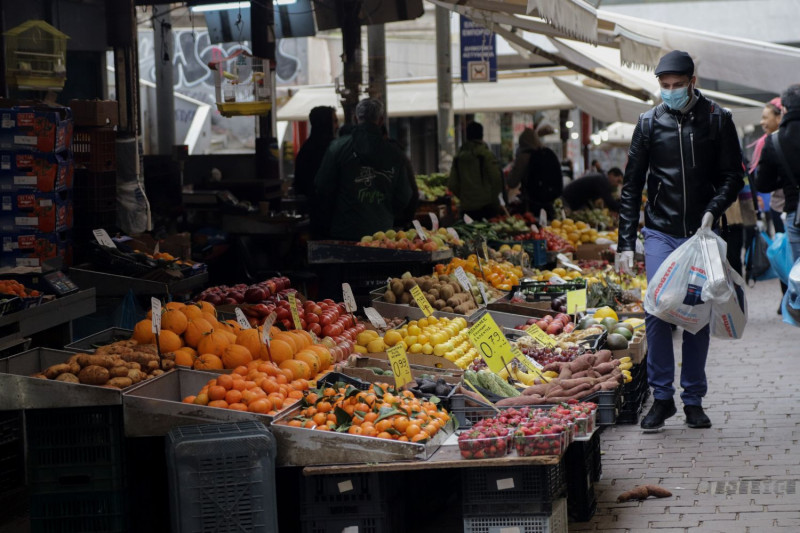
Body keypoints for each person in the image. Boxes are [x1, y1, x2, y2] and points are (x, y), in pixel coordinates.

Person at [617, 50, 744, 431]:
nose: (670, 92)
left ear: (693, 81)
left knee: (696, 313)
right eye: (664, 86)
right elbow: (631, 186)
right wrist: (625, 242)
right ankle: (661, 398)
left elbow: (733, 176)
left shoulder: (719, 120)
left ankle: (693, 399)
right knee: (657, 308)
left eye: (677, 85)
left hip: (702, 233)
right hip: (660, 230)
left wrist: (713, 208)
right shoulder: (647, 122)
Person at [313, 99, 413, 241]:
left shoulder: (337, 147)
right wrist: (384, 212)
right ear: (381, 120)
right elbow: (404, 195)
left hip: (345, 232)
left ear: (355, 118)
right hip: (382, 235)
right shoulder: (394, 153)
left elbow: (322, 186)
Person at [749, 97, 788, 312]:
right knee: (784, 253)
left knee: (784, 254)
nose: (762, 122)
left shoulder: (772, 142)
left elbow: (761, 181)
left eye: (766, 117)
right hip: (779, 205)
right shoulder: (767, 141)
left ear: (779, 115)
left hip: (782, 206)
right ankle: (788, 298)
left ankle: (788, 298)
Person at [756, 84, 800, 267]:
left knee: (798, 275)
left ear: (783, 109)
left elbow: (763, 184)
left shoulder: (774, 141)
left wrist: (787, 178)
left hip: (796, 214)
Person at [448, 121, 502, 221]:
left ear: (467, 136)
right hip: (486, 208)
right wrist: (492, 198)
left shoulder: (458, 158)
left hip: (466, 209)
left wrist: (465, 198)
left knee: (468, 235)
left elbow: (452, 184)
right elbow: (496, 180)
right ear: (482, 135)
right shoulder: (486, 155)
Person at [507, 126, 563, 219]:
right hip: (550, 201)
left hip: (531, 202)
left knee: (535, 226)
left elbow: (512, 182)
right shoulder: (548, 153)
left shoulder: (524, 157)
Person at [294, 106, 338, 199]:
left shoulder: (306, 148)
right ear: (325, 123)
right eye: (334, 121)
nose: (337, 126)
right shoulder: (331, 149)